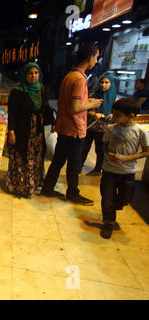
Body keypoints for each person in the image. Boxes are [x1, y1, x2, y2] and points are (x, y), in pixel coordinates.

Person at [41, 43, 103, 205]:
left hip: (64, 127)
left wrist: (87, 102)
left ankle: (47, 188)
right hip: (74, 129)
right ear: (90, 57)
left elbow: (70, 103)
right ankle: (73, 193)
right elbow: (75, 107)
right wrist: (92, 105)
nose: (96, 61)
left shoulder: (70, 76)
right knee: (74, 164)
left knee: (58, 160)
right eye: (96, 57)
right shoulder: (80, 79)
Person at [100, 97, 149, 239]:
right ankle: (108, 222)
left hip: (128, 172)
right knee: (107, 198)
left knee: (125, 198)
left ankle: (115, 206)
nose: (113, 117)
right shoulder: (110, 129)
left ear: (130, 116)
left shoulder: (140, 131)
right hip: (109, 170)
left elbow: (146, 151)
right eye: (113, 113)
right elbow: (104, 144)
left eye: (117, 115)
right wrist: (108, 154)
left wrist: (127, 158)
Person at [5, 62, 55, 198]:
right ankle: (21, 186)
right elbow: (12, 113)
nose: (33, 76)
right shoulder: (17, 92)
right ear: (24, 75)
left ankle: (33, 183)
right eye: (30, 73)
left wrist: (54, 121)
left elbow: (45, 106)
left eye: (36, 73)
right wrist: (11, 131)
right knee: (22, 156)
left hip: (36, 130)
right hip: (22, 130)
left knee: (35, 157)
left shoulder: (41, 89)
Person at [81, 74, 117, 176]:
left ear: (111, 84)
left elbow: (117, 115)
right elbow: (84, 109)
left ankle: (98, 169)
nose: (103, 85)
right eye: (102, 82)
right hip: (90, 126)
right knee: (84, 147)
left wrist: (111, 116)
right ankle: (79, 166)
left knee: (100, 149)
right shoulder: (93, 95)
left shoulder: (115, 99)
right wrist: (93, 114)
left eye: (106, 83)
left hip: (105, 129)